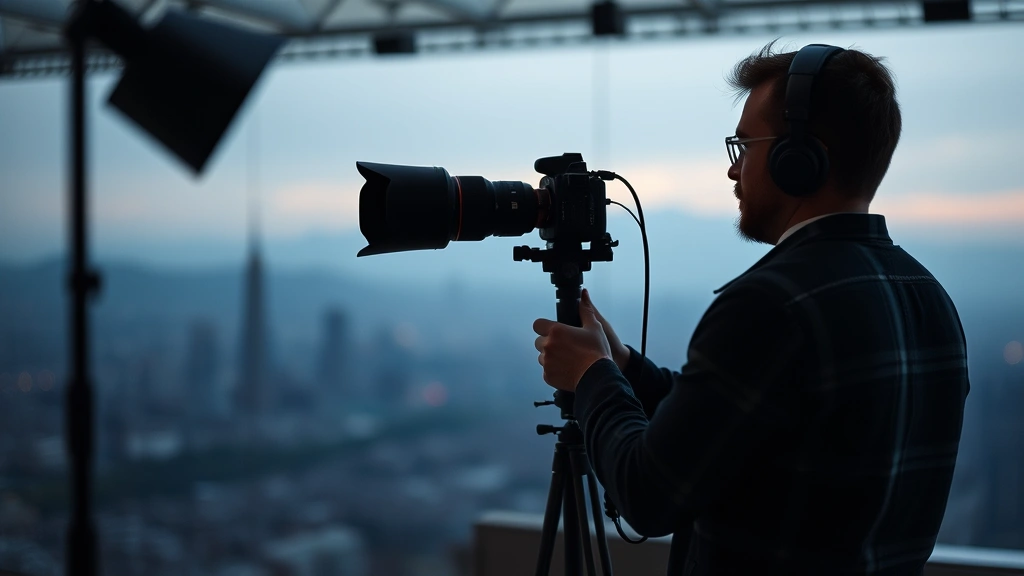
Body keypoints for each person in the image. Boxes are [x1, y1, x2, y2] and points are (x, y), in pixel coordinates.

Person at [532, 42, 970, 575]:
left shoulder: (769, 304)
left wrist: (592, 378)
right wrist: (626, 369)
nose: (733, 172)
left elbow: (649, 495)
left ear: (800, 159)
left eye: (744, 146)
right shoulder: (929, 297)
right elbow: (744, 423)